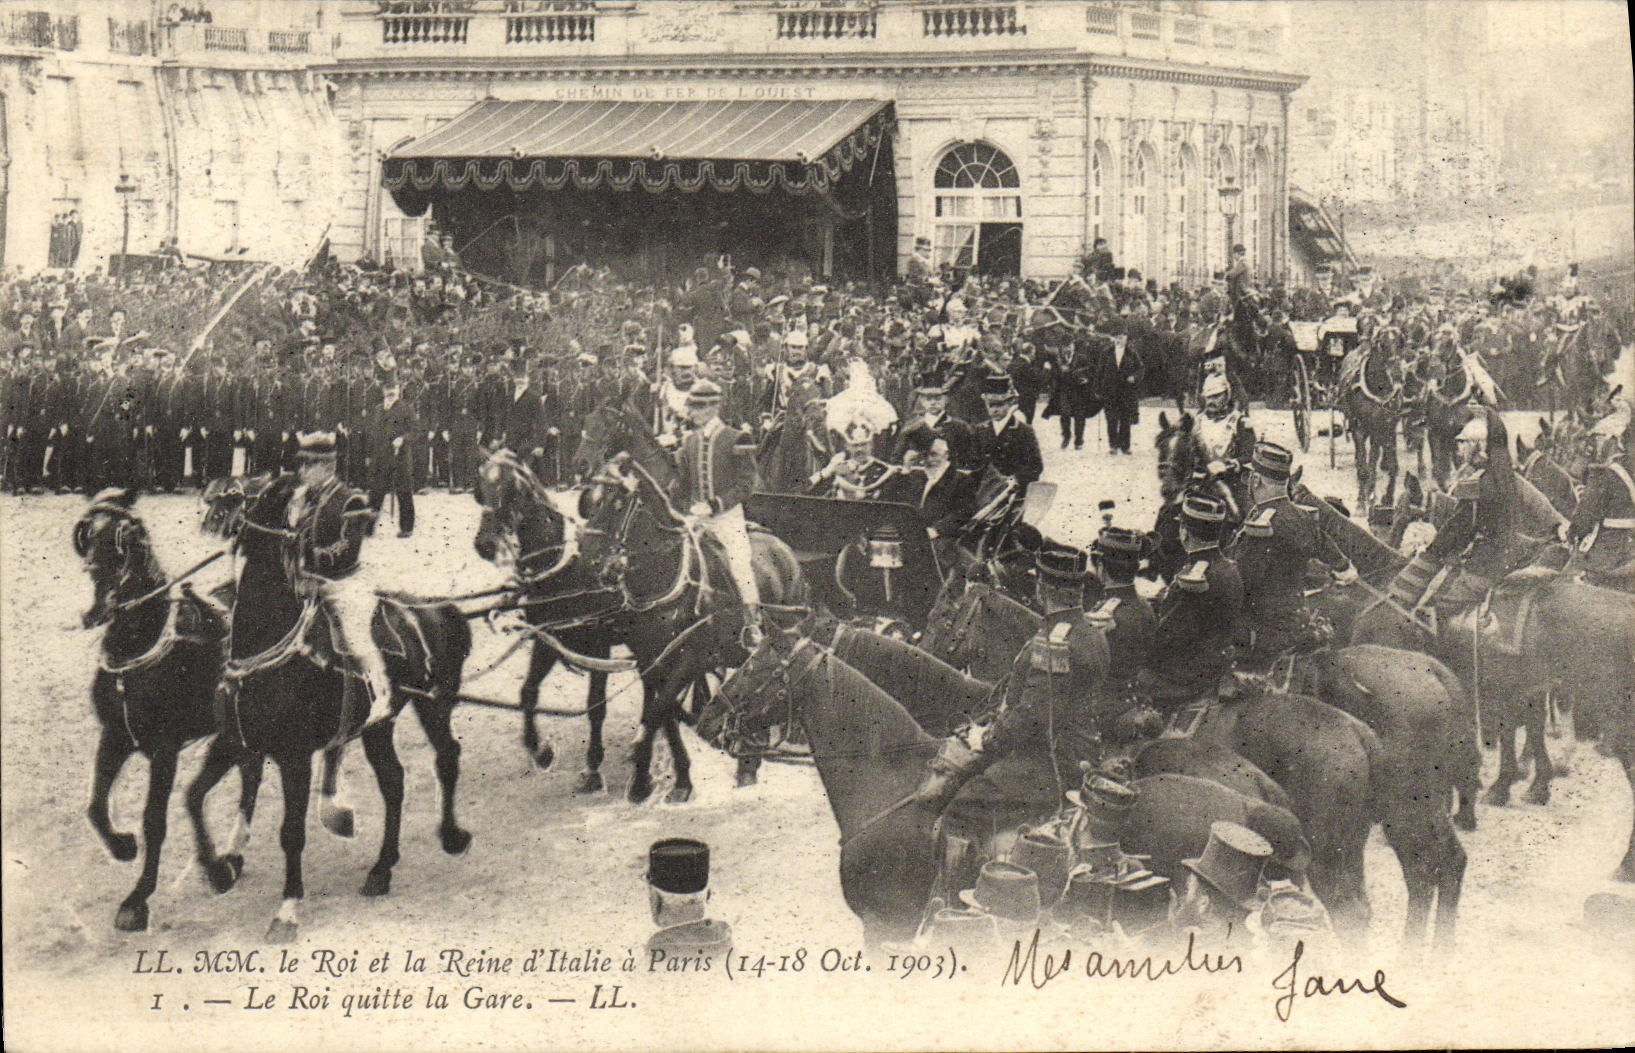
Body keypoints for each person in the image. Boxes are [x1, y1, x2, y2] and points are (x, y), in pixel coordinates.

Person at [913, 543, 1109, 811]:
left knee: (956, 802)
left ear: (1041, 588)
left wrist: (984, 739)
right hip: (1081, 752)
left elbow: (1032, 716)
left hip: (1048, 762)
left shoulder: (1054, 643)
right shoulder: (1092, 633)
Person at [284, 432, 393, 727]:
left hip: (345, 582)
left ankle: (380, 695)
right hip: (308, 580)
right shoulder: (302, 498)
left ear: (329, 467)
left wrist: (312, 559)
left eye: (310, 465)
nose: (303, 471)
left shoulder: (350, 499)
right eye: (302, 464)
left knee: (355, 634)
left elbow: (347, 548)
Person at [1232, 442, 1356, 669]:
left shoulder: (1262, 524)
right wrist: (1340, 567)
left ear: (1256, 481)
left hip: (1264, 628)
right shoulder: (1304, 516)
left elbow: (1243, 581)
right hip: (1299, 616)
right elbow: (1334, 556)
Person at [1388, 407, 1520, 615]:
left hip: (1484, 565)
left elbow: (1457, 530)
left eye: (1463, 443)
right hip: (1506, 558)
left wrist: (1432, 551)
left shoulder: (1477, 484)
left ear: (1478, 446)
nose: (1458, 450)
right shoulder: (1502, 474)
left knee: (1432, 609)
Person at [673, 379, 764, 648]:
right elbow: (685, 484)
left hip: (727, 517)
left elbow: (747, 485)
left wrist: (715, 505)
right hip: (697, 517)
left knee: (739, 562)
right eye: (692, 407)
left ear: (714, 407)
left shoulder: (737, 438)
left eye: (700, 407)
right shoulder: (689, 441)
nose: (693, 412)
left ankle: (752, 624)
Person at [1139, 492, 1245, 708]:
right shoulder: (1228, 567)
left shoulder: (1194, 578)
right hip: (1216, 662)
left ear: (1184, 533)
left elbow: (1167, 639)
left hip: (1187, 674)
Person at [366, 380, 418, 538]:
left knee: (404, 492)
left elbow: (415, 432)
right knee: (375, 493)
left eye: (393, 389)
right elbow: (372, 434)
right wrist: (369, 455)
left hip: (400, 458)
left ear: (399, 389)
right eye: (387, 389)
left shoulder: (406, 408)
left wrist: (403, 439)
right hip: (380, 458)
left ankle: (406, 528)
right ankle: (368, 527)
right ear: (383, 390)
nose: (390, 392)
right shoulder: (377, 409)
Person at [974, 372, 1043, 488]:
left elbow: (1036, 466)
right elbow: (974, 462)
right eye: (991, 406)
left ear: (1010, 403)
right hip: (985, 490)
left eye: (999, 405)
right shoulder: (980, 430)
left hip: (1014, 490)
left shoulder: (1023, 430)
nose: (995, 410)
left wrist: (1016, 479)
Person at [1095, 315, 1144, 455]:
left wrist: (1134, 377)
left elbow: (1140, 368)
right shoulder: (1106, 352)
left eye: (1122, 337)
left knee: (1125, 420)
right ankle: (1113, 446)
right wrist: (1098, 389)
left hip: (1126, 392)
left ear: (1126, 338)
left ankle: (1125, 446)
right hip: (1110, 391)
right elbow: (1099, 371)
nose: (1119, 340)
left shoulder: (1132, 352)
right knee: (1111, 419)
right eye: (1117, 337)